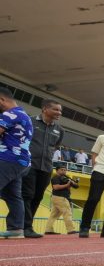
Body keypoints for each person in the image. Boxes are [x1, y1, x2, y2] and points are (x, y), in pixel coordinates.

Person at [22, 99, 64, 238]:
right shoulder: (30, 121)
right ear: (45, 109)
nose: (59, 112)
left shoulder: (59, 130)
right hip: (29, 164)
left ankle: (26, 226)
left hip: (46, 167)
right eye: (56, 109)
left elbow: (55, 146)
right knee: (27, 195)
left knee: (37, 197)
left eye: (60, 110)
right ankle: (25, 227)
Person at [0, 87, 34, 238]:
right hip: (21, 161)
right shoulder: (24, 114)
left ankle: (15, 228)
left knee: (13, 195)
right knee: (13, 195)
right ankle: (15, 229)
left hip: (8, 159)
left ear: (1, 100)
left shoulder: (9, 114)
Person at [44, 165, 78, 234]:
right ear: (57, 170)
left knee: (54, 215)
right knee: (67, 213)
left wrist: (73, 182)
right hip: (60, 197)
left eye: (65, 170)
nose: (64, 171)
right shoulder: (56, 178)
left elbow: (76, 186)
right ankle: (70, 229)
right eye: (62, 169)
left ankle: (48, 230)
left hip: (58, 197)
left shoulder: (66, 178)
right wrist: (67, 185)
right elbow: (56, 187)